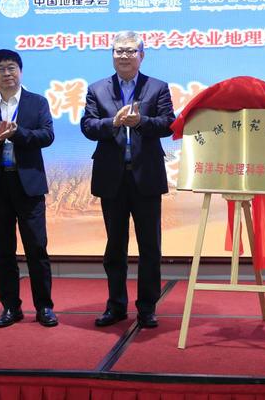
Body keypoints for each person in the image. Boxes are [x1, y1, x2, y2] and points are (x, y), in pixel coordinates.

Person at [81, 31, 175, 329]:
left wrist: (141, 122)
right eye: (118, 50)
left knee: (150, 247)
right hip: (112, 178)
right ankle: (116, 306)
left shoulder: (157, 87)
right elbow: (88, 126)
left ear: (141, 56)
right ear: (112, 55)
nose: (124, 55)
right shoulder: (97, 89)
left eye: (130, 51)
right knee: (115, 247)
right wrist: (115, 122)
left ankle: (147, 307)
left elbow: (168, 124)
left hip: (146, 177)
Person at [0, 49, 57, 328]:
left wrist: (18, 134)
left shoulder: (37, 102)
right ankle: (10, 307)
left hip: (28, 185)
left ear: (20, 70)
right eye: (0, 69)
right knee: (3, 251)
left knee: (36, 249)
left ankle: (44, 307)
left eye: (11, 67)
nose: (7, 73)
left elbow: (47, 135)